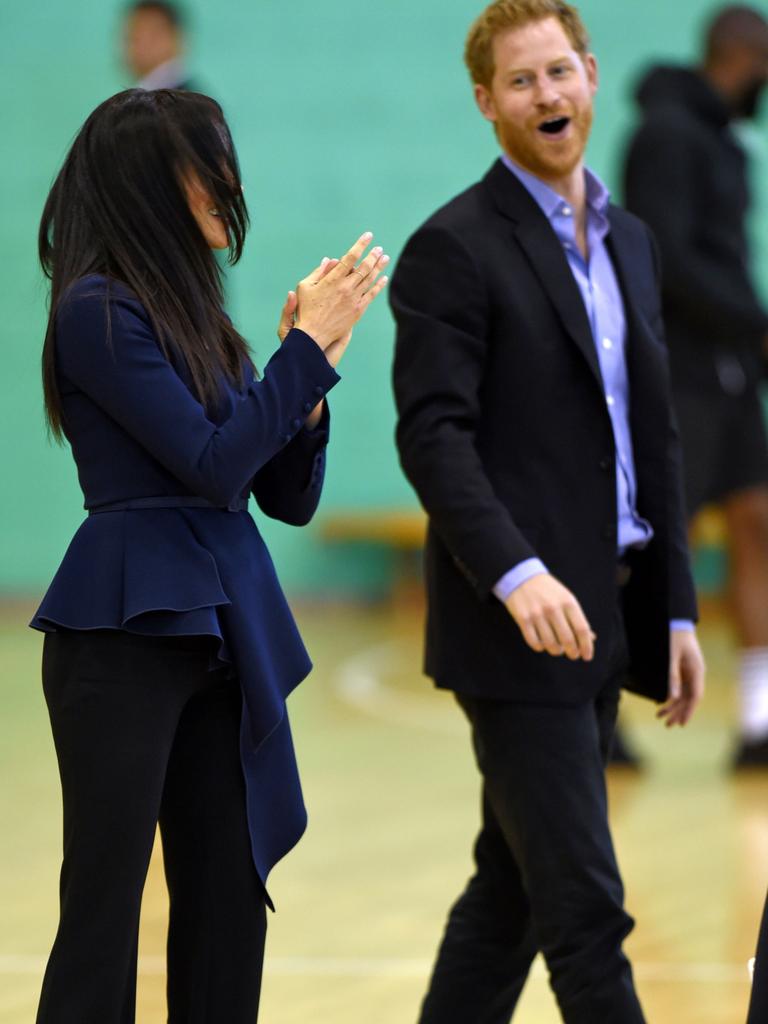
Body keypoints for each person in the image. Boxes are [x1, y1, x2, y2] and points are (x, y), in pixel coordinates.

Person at [32, 87, 388, 1023]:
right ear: (151, 180)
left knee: (232, 896)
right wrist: (301, 356)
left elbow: (283, 495)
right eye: (205, 161)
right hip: (125, 628)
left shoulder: (201, 320)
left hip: (225, 630)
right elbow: (211, 466)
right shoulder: (95, 311)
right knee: (104, 908)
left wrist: (306, 383)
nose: (224, 182)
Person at [390, 2, 705, 1021]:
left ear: (592, 75)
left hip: (610, 614)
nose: (546, 96)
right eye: (520, 81)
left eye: (558, 71)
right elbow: (433, 437)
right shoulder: (454, 247)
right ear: (486, 101)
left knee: (513, 893)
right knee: (584, 907)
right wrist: (516, 573)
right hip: (517, 627)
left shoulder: (634, 243)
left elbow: (651, 439)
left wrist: (679, 611)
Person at [623, 5, 768, 768]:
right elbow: (665, 257)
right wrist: (754, 318)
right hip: (678, 372)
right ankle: (599, 708)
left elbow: (723, 258)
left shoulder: (720, 142)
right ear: (743, 57)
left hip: (733, 373)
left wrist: (754, 338)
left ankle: (758, 721)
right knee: (645, 542)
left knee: (757, 524)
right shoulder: (666, 136)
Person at [122, 0, 193, 90]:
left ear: (176, 38)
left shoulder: (182, 102)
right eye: (131, 37)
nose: (138, 47)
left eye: (152, 36)